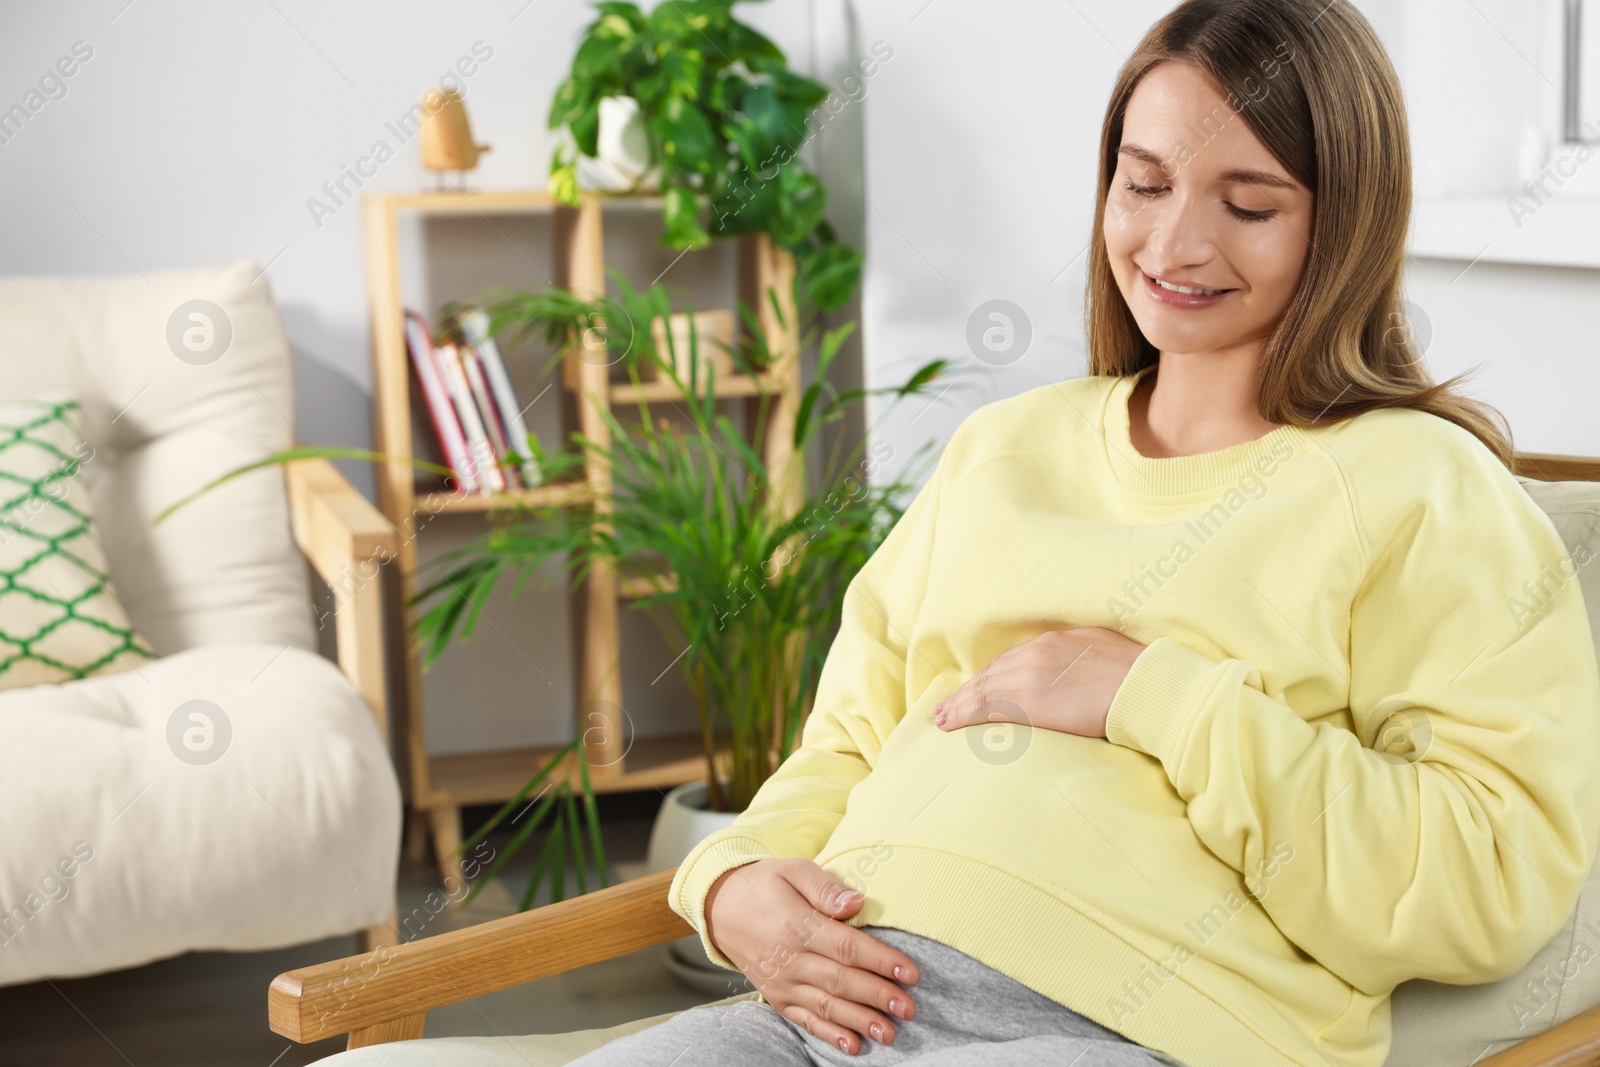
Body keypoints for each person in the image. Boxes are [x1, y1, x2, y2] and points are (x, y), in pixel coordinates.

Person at [570, 1, 1600, 1064]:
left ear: (1342, 223)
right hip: (825, 997)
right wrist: (732, 877)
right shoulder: (999, 451)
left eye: (1247, 203)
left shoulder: (1419, 487)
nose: (1173, 242)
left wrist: (1152, 693)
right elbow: (845, 747)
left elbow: (1480, 879)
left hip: (1132, 1028)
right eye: (1143, 183)